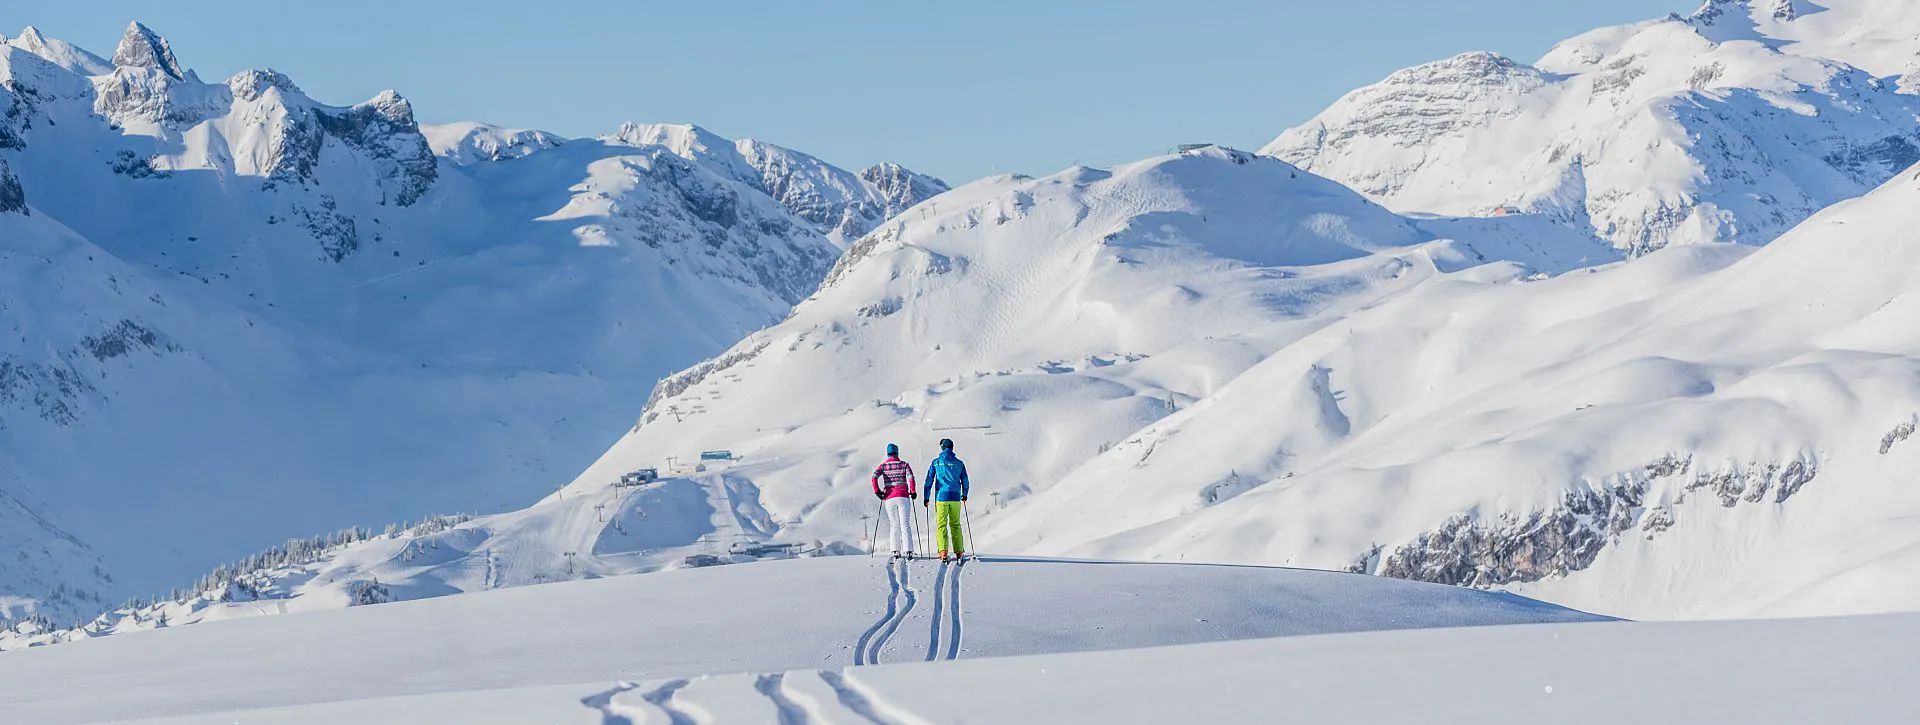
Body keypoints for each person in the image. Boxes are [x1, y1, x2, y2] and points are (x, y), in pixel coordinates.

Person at [925, 438, 970, 561]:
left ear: (942, 447)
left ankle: (943, 552)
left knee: (941, 525)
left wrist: (926, 497)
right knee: (955, 524)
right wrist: (964, 494)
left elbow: (929, 481)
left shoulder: (936, 463)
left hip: (941, 498)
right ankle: (959, 552)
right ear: (952, 447)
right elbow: (965, 480)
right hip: (955, 497)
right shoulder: (959, 463)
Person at [871, 442, 918, 558]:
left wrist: (877, 491)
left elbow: (874, 476)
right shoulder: (904, 464)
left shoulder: (883, 466)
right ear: (897, 452)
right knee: (905, 524)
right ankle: (908, 551)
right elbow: (911, 478)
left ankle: (895, 551)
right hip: (903, 496)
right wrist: (913, 491)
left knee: (894, 524)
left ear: (888, 454)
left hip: (889, 498)